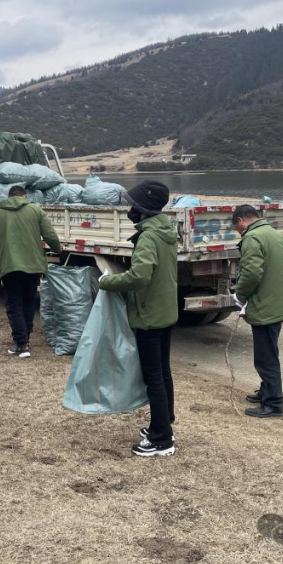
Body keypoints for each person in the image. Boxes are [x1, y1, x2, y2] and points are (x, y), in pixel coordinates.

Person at [99, 180, 178, 457]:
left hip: (149, 315)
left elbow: (140, 276)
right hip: (164, 311)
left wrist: (107, 282)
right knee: (163, 373)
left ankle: (161, 440)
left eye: (132, 205)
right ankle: (164, 423)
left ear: (143, 208)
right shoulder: (165, 231)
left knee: (153, 377)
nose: (129, 209)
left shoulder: (148, 237)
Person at [0, 185, 62, 358]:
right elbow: (49, 235)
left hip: (9, 266)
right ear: (25, 196)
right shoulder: (36, 210)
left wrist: (3, 250)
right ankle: (25, 338)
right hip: (33, 265)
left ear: (9, 197)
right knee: (29, 301)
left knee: (14, 304)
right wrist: (58, 249)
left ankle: (21, 343)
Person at [231, 204, 283, 418]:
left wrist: (240, 296)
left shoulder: (252, 238)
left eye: (236, 226)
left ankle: (273, 404)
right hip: (277, 304)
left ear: (241, 220)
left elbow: (251, 273)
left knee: (265, 358)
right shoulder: (276, 235)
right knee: (270, 351)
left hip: (264, 307)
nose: (238, 230)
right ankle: (266, 391)